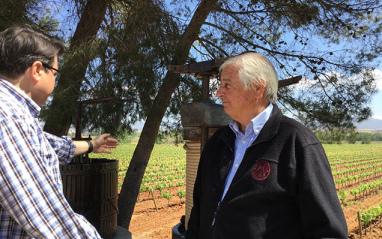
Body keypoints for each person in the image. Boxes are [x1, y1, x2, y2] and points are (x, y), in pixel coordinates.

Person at [186, 52, 348, 238]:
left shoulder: (296, 141)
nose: (219, 92)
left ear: (257, 88)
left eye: (227, 85)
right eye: (221, 84)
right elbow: (198, 213)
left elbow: (328, 231)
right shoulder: (217, 142)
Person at [0, 25, 118, 238]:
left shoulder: (15, 116)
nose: (55, 80)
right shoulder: (9, 117)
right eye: (54, 72)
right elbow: (50, 221)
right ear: (37, 70)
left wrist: (92, 145)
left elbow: (50, 145)